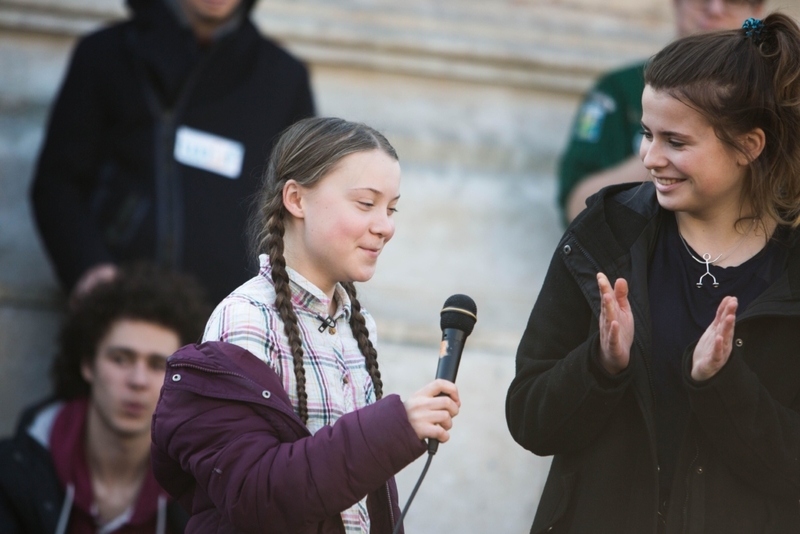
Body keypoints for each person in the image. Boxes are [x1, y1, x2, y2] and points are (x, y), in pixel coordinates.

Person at [507, 14, 800, 534]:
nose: (649, 157)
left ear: (749, 146)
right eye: (646, 134)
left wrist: (723, 384)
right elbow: (530, 418)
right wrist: (599, 366)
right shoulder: (604, 232)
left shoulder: (790, 270)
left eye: (676, 142)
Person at [150, 117, 461, 533]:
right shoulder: (247, 317)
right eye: (366, 204)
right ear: (296, 199)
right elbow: (254, 493)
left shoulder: (356, 323)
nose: (385, 226)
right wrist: (395, 427)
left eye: (391, 208)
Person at [31, 0, 315, 304]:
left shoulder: (283, 77)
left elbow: (303, 205)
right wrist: (89, 269)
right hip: (121, 308)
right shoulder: (107, 53)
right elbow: (58, 183)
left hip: (232, 320)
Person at [0, 263, 210, 533]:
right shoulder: (12, 473)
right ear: (88, 364)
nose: (138, 380)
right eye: (120, 359)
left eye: (158, 365)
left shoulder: (208, 490)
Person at [558, 0, 765, 224]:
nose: (714, 8)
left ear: (757, 11)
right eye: (646, 133)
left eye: (734, 0)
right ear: (677, 3)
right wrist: (665, 153)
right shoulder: (621, 89)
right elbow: (578, 209)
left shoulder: (779, 95)